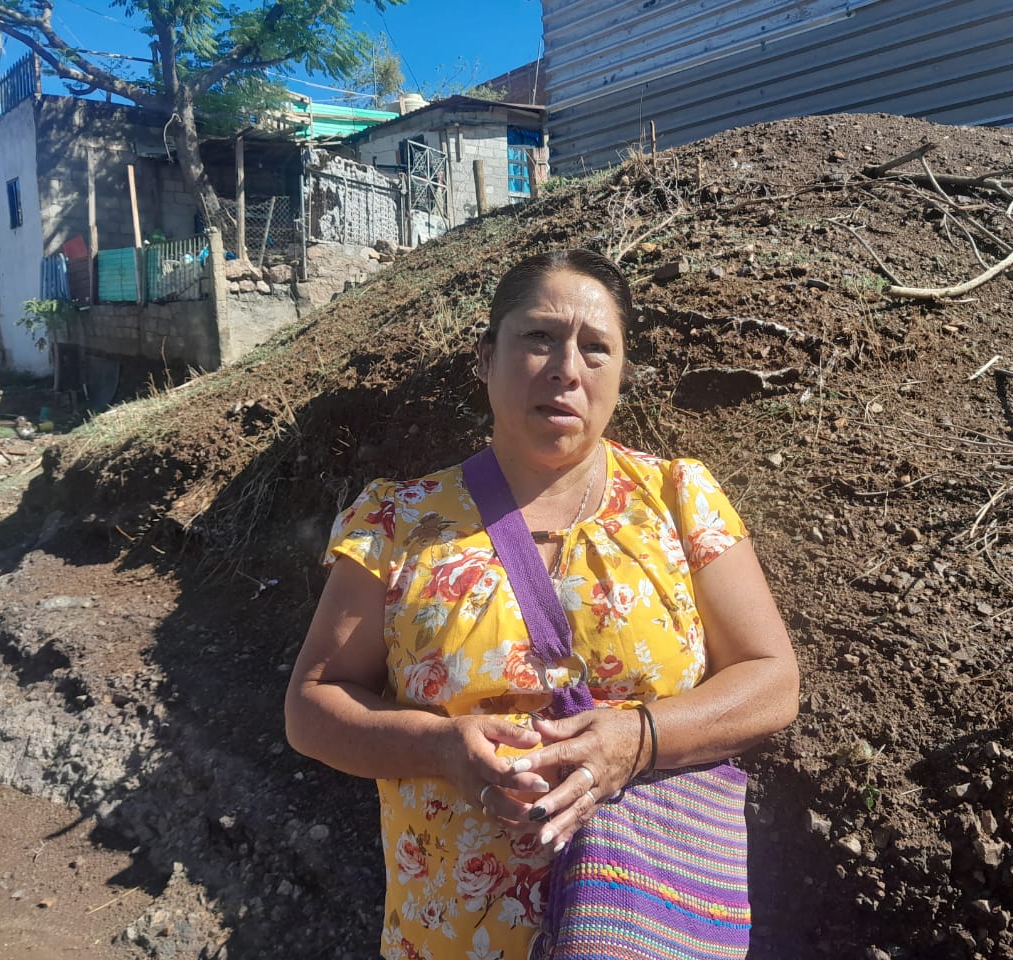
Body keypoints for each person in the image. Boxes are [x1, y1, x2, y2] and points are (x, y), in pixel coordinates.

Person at [284, 249, 799, 960]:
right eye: (539, 337)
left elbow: (772, 680)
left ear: (621, 372)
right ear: (485, 357)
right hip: (451, 936)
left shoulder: (680, 500)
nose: (566, 369)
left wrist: (637, 739)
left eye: (596, 348)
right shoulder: (396, 522)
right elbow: (311, 706)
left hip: (643, 929)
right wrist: (438, 747)